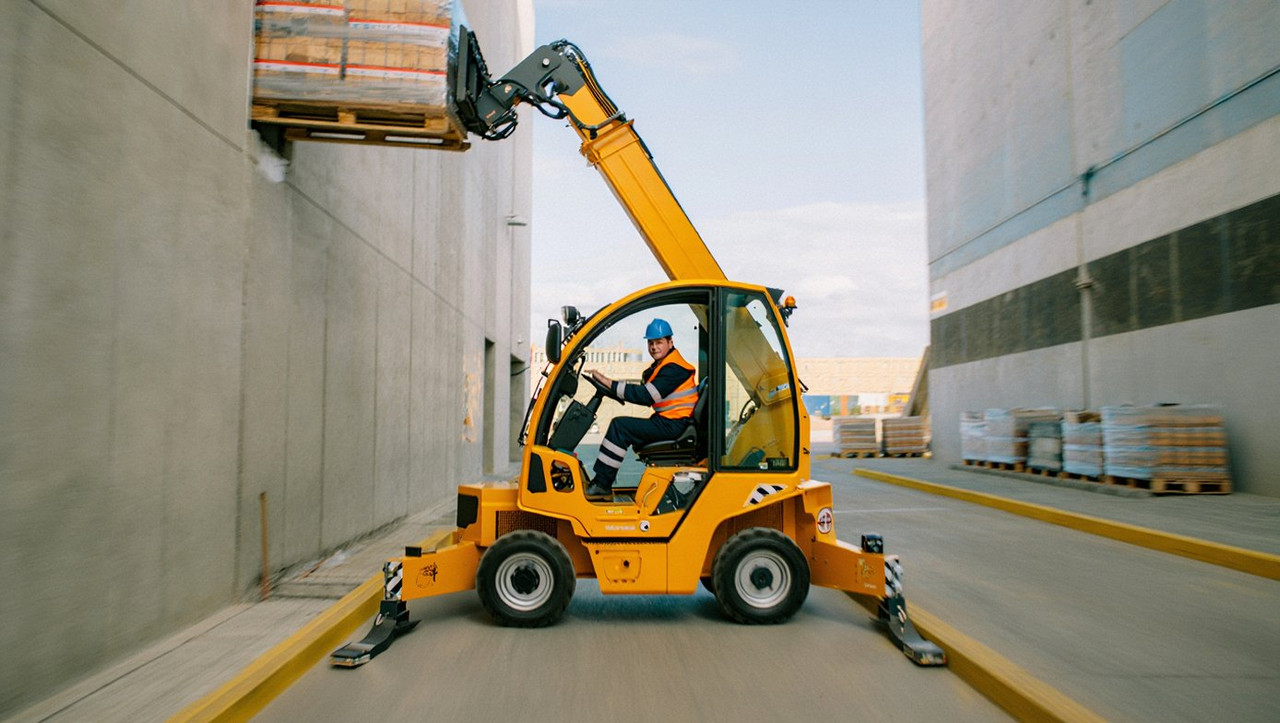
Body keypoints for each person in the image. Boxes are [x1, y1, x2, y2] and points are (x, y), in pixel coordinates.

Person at [584, 318, 700, 498]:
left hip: (674, 425)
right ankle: (601, 482)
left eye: (659, 342)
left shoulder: (674, 368)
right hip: (670, 422)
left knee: (620, 426)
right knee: (622, 426)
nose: (654, 347)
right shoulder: (664, 366)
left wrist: (608, 382)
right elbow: (641, 392)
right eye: (651, 343)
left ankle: (602, 483)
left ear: (670, 342)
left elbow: (645, 395)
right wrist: (611, 387)